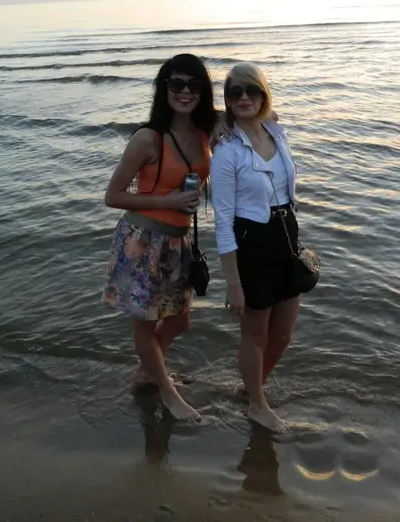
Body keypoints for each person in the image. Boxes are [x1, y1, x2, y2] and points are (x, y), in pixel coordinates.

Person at [103, 53, 218, 422]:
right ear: (163, 89)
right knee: (146, 322)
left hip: (178, 242)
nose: (185, 91)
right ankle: (167, 392)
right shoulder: (147, 138)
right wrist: (168, 201)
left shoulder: (203, 133)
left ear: (203, 91)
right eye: (176, 84)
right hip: (143, 240)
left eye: (193, 84)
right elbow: (113, 196)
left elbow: (255, 115)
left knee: (180, 321)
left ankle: (146, 371)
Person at [210, 62, 300, 433]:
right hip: (252, 242)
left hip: (287, 235)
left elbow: (267, 113)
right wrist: (233, 283)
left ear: (264, 94)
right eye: (235, 92)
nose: (244, 98)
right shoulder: (226, 152)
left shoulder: (275, 132)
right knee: (256, 334)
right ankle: (257, 405)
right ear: (227, 99)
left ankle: (250, 389)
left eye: (252, 90)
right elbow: (223, 221)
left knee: (283, 334)